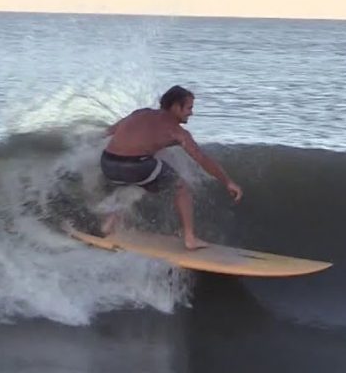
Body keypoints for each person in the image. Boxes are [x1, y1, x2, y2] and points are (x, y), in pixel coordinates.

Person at [99, 85, 243, 250]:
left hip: (107, 163)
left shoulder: (140, 113)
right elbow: (202, 159)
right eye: (189, 108)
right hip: (135, 166)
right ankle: (190, 238)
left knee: (136, 182)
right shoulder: (177, 132)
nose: (191, 113)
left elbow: (109, 131)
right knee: (180, 187)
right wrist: (228, 182)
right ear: (175, 106)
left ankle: (110, 223)